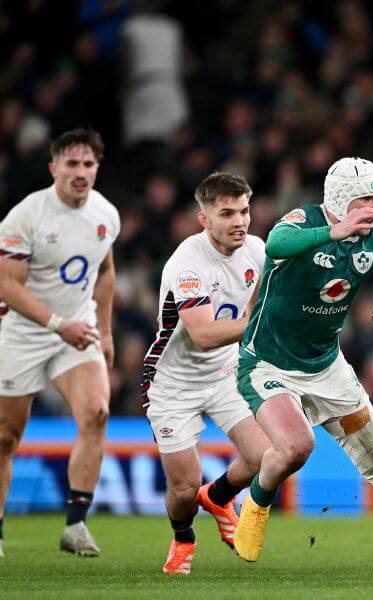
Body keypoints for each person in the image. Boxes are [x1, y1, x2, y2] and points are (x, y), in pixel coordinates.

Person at [232, 157, 373, 581]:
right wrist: (332, 232)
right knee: (296, 446)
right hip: (268, 362)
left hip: (328, 369)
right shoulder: (305, 221)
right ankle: (257, 501)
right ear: (339, 200)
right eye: (365, 200)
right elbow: (275, 243)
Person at [141, 172, 272, 575]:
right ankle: (183, 538)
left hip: (225, 375)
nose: (240, 221)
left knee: (268, 456)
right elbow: (203, 336)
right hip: (172, 383)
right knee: (183, 487)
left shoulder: (257, 251)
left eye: (244, 211)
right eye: (227, 213)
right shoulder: (188, 264)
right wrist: (260, 323)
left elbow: (257, 306)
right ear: (204, 218)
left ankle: (217, 496)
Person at [0, 129, 119, 558]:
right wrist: (56, 324)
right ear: (54, 168)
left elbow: (105, 271)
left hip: (76, 328)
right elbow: (7, 285)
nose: (80, 172)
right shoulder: (25, 216)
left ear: (97, 168)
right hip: (23, 331)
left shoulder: (106, 214)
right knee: (5, 437)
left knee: (97, 413)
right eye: (71, 163)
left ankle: (75, 525)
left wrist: (105, 331)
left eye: (88, 164)